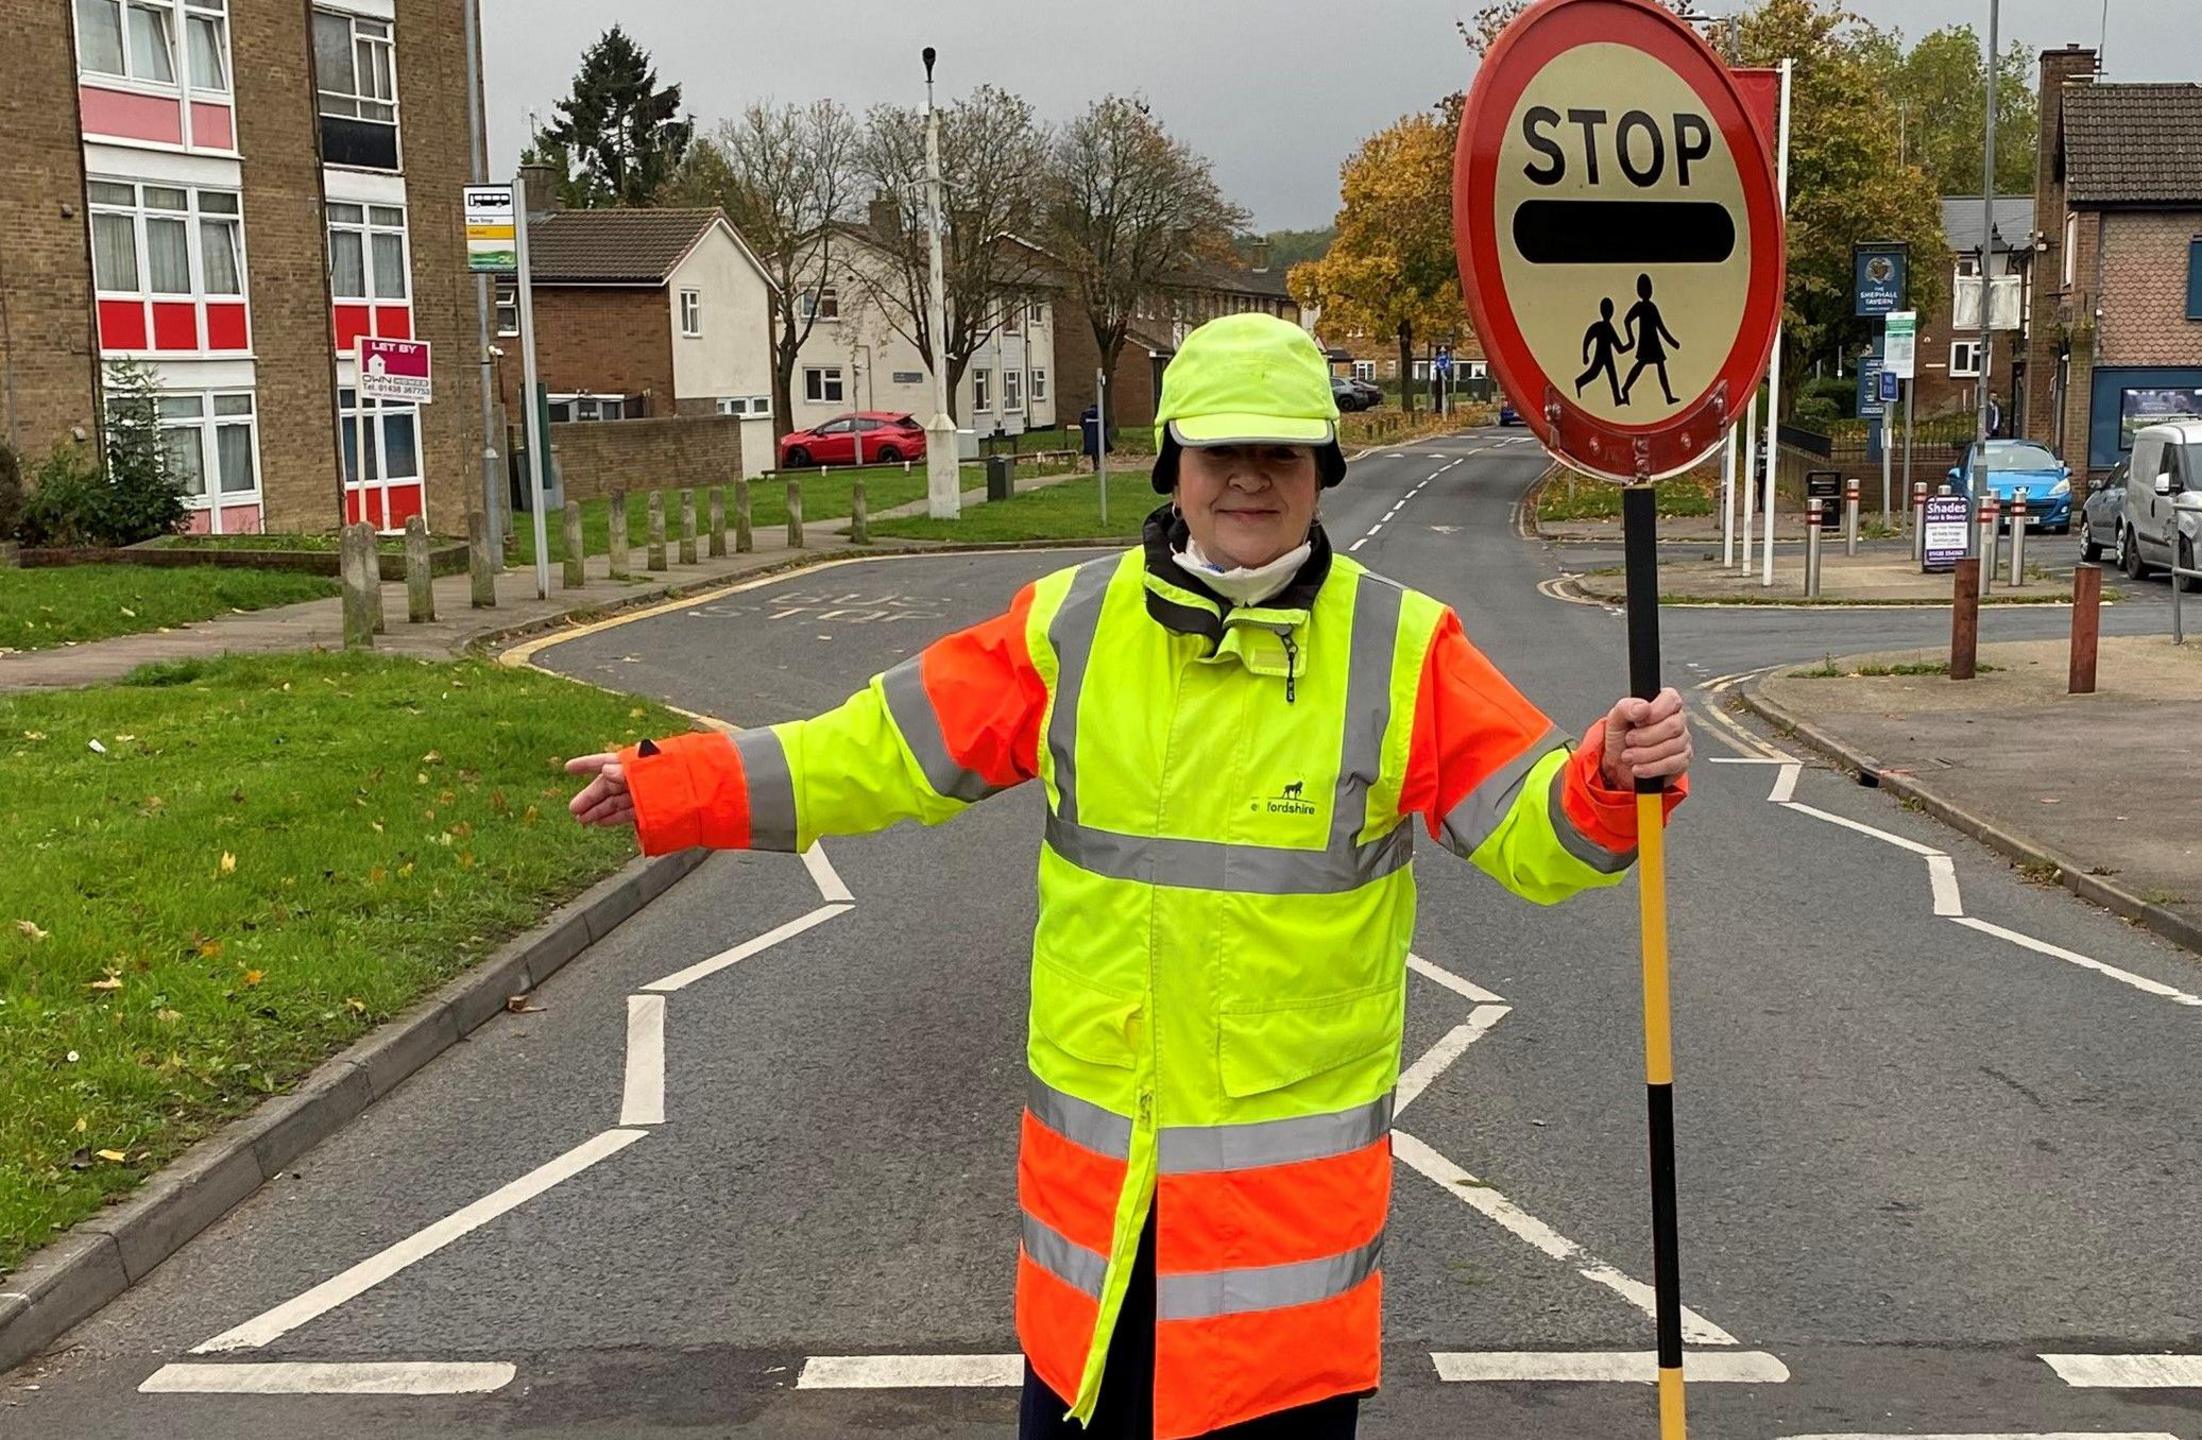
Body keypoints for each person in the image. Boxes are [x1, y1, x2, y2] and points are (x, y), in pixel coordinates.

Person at [564, 312, 1693, 1440]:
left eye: (1282, 454)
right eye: (1220, 453)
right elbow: (875, 753)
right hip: (1098, 1238)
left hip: (1281, 1270)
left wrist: (1605, 778)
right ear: (1175, 466)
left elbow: (1539, 838)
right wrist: (681, 786)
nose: (1249, 479)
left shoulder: (1405, 649)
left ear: (1320, 472)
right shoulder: (1072, 627)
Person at [1618, 272, 1680, 406]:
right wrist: (1631, 338)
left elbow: (1660, 326)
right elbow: (1627, 320)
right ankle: (1625, 387)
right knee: (1644, 365)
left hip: (1653, 341)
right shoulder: (1642, 307)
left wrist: (1672, 342)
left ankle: (1668, 396)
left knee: (1657, 366)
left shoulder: (1651, 307)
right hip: (1647, 341)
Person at [1574, 296, 1628, 406]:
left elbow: (1619, 348)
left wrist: (1629, 345)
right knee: (1594, 373)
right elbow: (1588, 337)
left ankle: (1617, 398)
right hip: (1601, 355)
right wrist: (1585, 354)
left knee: (1612, 376)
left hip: (1608, 356)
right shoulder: (1601, 326)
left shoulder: (1608, 326)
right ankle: (1579, 382)